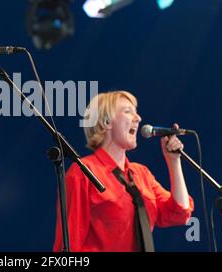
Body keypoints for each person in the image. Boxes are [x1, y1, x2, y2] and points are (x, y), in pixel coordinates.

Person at [53, 90, 194, 252]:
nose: (138, 118)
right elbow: (69, 243)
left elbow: (180, 212)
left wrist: (173, 162)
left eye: (136, 112)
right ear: (106, 122)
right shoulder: (84, 172)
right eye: (128, 111)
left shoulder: (141, 174)